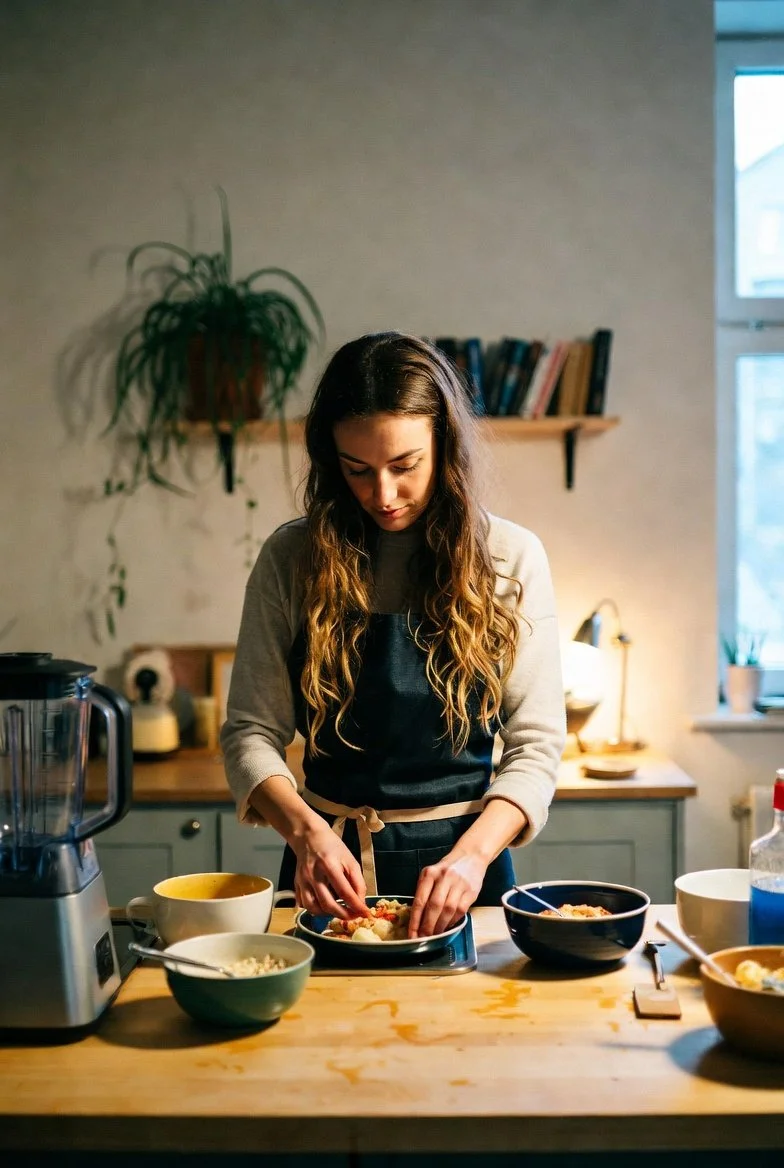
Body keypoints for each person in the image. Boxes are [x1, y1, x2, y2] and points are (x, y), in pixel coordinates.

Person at [221, 331, 566, 938]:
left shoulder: (510, 557)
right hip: (327, 870)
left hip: (469, 874)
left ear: (446, 447)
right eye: (358, 470)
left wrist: (473, 856)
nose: (382, 495)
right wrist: (304, 833)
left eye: (405, 466)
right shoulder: (291, 558)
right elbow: (251, 732)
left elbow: (535, 747)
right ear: (332, 461)